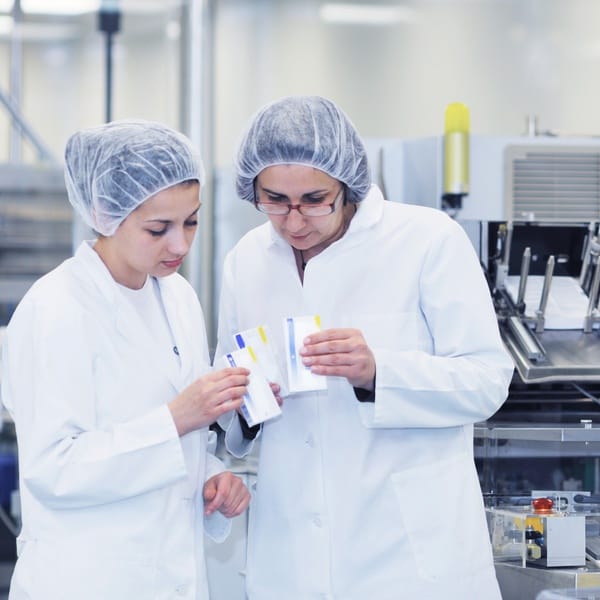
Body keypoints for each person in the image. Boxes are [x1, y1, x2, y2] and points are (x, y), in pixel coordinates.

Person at [215, 95, 513, 599]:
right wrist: (247, 405)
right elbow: (226, 389)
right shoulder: (247, 259)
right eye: (274, 200)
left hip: (405, 556)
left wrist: (379, 372)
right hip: (290, 553)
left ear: (347, 183)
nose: (294, 221)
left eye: (315, 200)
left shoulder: (427, 240)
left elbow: (487, 380)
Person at [0, 120, 253, 598]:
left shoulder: (177, 296)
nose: (180, 245)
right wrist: (177, 418)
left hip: (171, 574)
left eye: (191, 222)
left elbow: (175, 444)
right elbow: (53, 469)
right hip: (88, 579)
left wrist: (212, 475)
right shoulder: (55, 308)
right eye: (158, 229)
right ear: (104, 214)